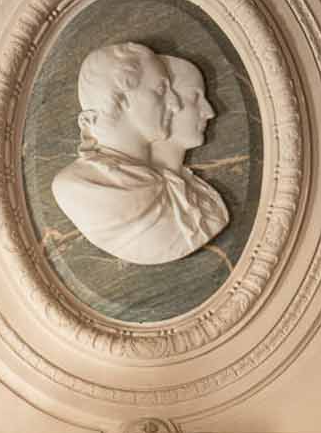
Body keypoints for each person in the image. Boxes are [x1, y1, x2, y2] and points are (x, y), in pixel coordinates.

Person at [50, 41, 229, 265]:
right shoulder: (81, 187)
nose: (173, 104)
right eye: (161, 90)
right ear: (124, 97)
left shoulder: (183, 189)